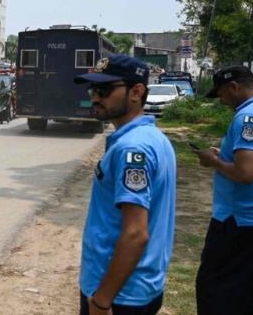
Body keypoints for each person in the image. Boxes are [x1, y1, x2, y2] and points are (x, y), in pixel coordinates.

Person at [74, 54, 176, 315]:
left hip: (120, 296)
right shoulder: (152, 137)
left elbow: (135, 233)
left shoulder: (133, 148)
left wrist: (101, 300)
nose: (95, 97)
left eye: (104, 90)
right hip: (137, 288)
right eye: (93, 89)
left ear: (136, 92)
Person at [194, 65, 253, 315]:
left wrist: (213, 161)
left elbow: (245, 173)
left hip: (239, 223)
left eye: (221, 94)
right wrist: (223, 155)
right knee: (250, 295)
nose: (221, 100)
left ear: (233, 87)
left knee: (216, 292)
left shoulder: (247, 118)